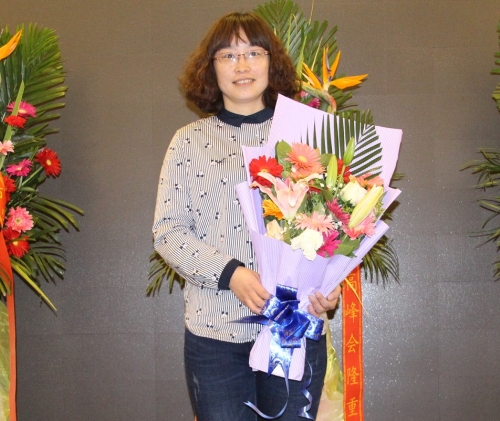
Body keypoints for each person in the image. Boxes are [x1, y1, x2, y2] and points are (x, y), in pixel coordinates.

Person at [152, 11, 341, 421]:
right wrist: (231, 273)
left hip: (292, 327)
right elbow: (168, 232)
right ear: (211, 68)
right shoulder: (187, 142)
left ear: (271, 62)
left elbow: (332, 225)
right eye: (228, 55)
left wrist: (328, 286)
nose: (242, 65)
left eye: (254, 52)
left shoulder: (305, 138)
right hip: (214, 336)